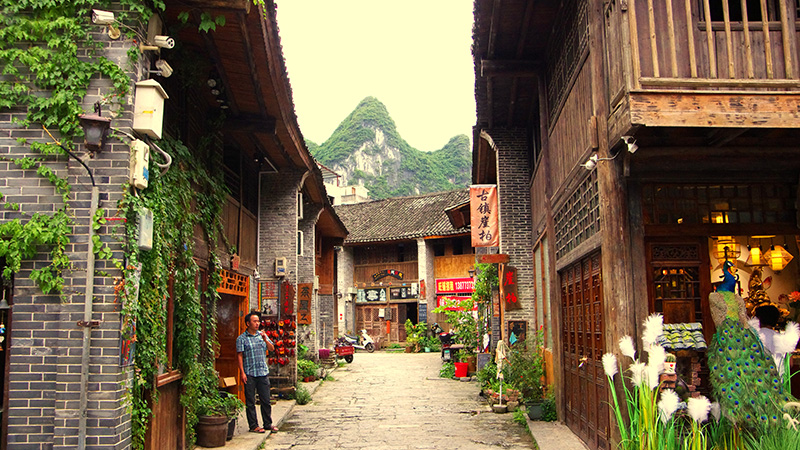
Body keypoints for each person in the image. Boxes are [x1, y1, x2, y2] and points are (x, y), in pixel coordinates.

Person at [236, 311, 277, 433]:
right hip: (249, 373)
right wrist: (242, 373)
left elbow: (272, 348)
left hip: (262, 372)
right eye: (254, 321)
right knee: (250, 401)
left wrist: (265, 339)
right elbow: (239, 356)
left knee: (266, 400)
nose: (257, 323)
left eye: (258, 321)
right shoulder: (241, 339)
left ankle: (268, 424)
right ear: (248, 323)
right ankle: (253, 425)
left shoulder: (262, 335)